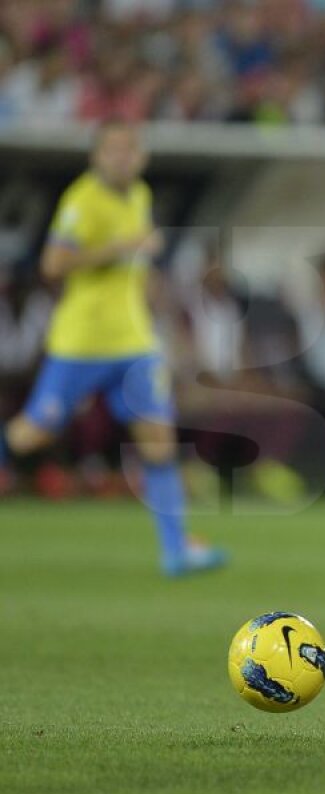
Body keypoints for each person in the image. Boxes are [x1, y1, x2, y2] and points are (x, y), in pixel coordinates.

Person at [0, 120, 227, 577]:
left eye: (129, 151)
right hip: (81, 344)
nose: (122, 158)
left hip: (134, 344)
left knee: (158, 441)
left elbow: (134, 267)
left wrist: (149, 281)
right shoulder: (82, 202)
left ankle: (175, 550)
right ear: (96, 157)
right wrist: (118, 246)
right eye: (113, 150)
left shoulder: (139, 195)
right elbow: (53, 264)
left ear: (140, 157)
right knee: (33, 432)